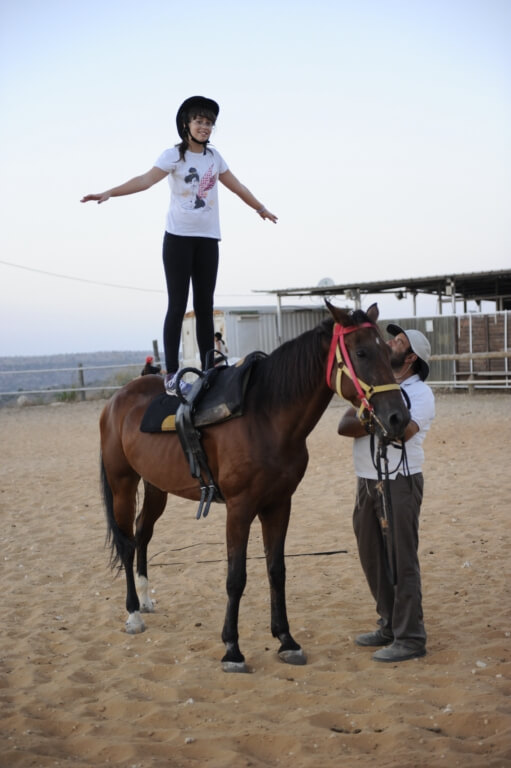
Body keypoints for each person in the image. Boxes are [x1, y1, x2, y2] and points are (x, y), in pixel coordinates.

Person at [81, 95, 277, 396]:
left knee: (205, 306)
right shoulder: (174, 155)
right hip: (178, 239)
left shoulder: (214, 158)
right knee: (177, 304)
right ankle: (172, 375)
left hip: (208, 239)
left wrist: (260, 207)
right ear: (186, 124)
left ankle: (210, 369)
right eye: (199, 121)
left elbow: (237, 186)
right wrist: (110, 192)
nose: (204, 127)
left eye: (209, 122)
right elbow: (145, 180)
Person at [338, 324, 435, 663]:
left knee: (402, 558)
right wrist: (379, 415)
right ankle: (389, 624)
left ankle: (410, 637)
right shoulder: (375, 385)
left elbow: (404, 432)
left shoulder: (420, 393)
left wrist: (370, 415)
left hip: (400, 479)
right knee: (372, 556)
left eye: (398, 341)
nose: (390, 342)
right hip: (366, 477)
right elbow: (342, 427)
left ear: (410, 357)